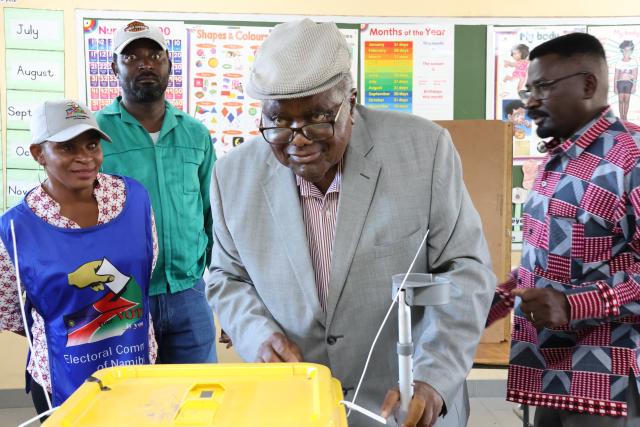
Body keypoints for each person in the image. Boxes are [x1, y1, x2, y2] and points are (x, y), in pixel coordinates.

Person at [206, 19, 495, 427]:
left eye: (317, 119)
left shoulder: (424, 151)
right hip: (295, 406)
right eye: (279, 121)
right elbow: (226, 276)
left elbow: (466, 270)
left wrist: (432, 376)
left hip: (405, 404)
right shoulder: (232, 176)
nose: (299, 139)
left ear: (351, 102)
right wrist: (257, 335)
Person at [487, 32, 640, 426]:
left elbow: (568, 294)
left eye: (543, 88)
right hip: (552, 375)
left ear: (588, 84)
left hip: (610, 385)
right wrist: (492, 301)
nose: (531, 102)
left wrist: (573, 305)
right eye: (528, 90)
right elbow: (549, 267)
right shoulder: (558, 161)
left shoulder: (631, 158)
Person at [0, 99, 157, 416]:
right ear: (39, 154)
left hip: (136, 365)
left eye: (91, 144)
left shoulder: (134, 199)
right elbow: (14, 313)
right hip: (61, 378)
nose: (85, 158)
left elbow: (145, 267)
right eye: (67, 148)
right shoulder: (15, 229)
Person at [96, 20, 217, 363]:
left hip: (189, 295)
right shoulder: (95, 135)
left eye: (154, 55)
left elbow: (213, 217)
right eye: (131, 57)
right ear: (114, 68)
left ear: (169, 64)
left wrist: (225, 292)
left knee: (197, 403)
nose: (145, 63)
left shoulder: (194, 134)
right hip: (122, 296)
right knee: (129, 404)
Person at [614, 40, 637, 121]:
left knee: (626, 101)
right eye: (625, 50)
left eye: (629, 50)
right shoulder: (619, 62)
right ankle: (621, 116)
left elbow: (635, 75)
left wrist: (634, 86)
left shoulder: (634, 62)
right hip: (620, 83)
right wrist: (615, 87)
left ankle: (625, 116)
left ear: (631, 51)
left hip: (629, 84)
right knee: (620, 100)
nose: (627, 52)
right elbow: (616, 75)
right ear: (622, 50)